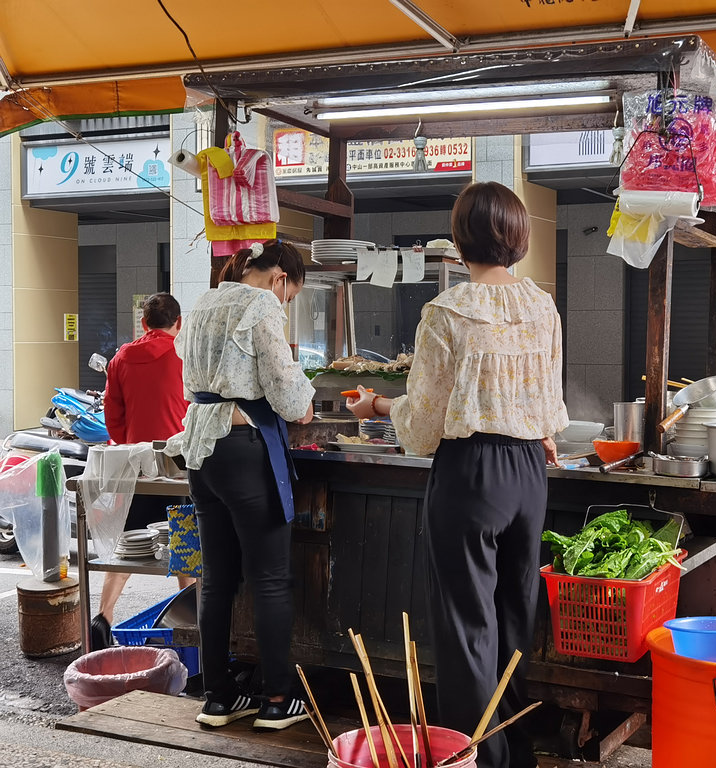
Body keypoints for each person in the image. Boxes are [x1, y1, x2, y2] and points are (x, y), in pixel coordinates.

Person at [347, 182, 569, 768]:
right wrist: (538, 431)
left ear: (460, 239)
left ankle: (477, 759)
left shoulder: (446, 312)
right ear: (518, 237)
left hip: (472, 475)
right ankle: (518, 752)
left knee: (468, 623)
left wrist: (375, 408)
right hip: (528, 473)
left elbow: (422, 424)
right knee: (515, 615)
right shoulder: (541, 305)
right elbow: (551, 404)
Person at [167, 239, 314, 731]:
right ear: (279, 280)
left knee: (217, 578)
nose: (285, 303)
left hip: (201, 451)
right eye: (290, 294)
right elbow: (287, 392)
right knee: (270, 579)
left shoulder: (206, 300)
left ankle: (218, 697)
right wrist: (305, 403)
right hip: (243, 448)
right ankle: (276, 699)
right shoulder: (262, 303)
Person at [92, 292, 192, 650]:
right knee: (184, 543)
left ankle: (103, 615)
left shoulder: (120, 358)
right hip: (178, 467)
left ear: (144, 324)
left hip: (137, 465)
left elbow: (112, 415)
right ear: (178, 323)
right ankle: (193, 627)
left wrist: (130, 442)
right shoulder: (184, 354)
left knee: (130, 545)